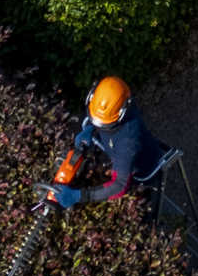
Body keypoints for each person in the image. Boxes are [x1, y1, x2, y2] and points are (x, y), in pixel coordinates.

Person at [47, 76, 170, 211]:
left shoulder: (128, 143)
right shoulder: (114, 98)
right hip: (117, 152)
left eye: (103, 124)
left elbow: (119, 186)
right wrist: (91, 128)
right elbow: (100, 117)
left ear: (122, 113)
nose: (98, 123)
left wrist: (79, 196)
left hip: (140, 173)